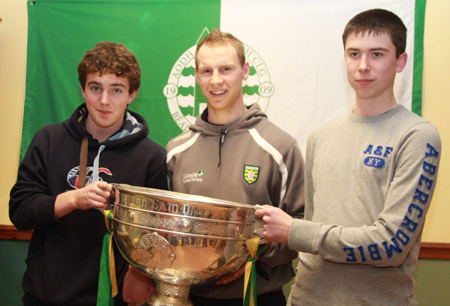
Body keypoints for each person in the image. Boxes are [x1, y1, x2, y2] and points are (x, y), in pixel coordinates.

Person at [255, 8, 441, 305]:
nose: (363, 66)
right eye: (354, 54)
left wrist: (294, 230)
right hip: (306, 298)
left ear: (400, 62)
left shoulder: (418, 137)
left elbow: (392, 245)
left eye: (377, 54)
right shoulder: (320, 137)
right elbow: (315, 225)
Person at [9, 42, 168, 306]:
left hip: (114, 299)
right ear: (83, 89)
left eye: (116, 90)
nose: (104, 101)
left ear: (132, 94)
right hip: (46, 296)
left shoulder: (152, 156)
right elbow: (20, 212)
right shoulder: (48, 140)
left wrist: (139, 272)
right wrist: (74, 199)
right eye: (96, 88)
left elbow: (159, 231)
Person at [166, 29, 305, 306]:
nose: (216, 81)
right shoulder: (175, 151)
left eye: (226, 69)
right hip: (192, 297)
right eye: (207, 71)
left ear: (245, 71)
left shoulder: (280, 147)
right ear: (196, 75)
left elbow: (300, 227)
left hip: (259, 295)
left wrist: (250, 257)